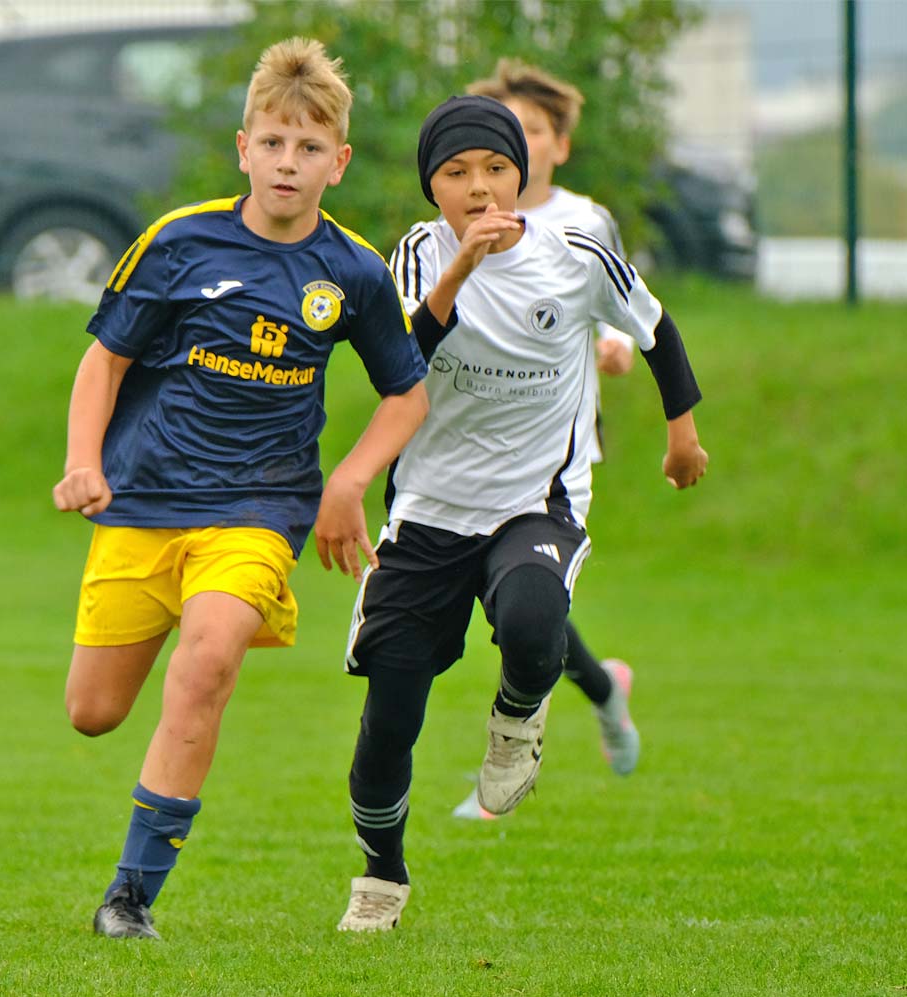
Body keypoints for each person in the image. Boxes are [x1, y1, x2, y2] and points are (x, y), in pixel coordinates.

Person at [53, 37, 429, 940]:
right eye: (273, 143)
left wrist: (348, 480)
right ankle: (169, 637)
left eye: (309, 148)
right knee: (93, 713)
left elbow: (407, 392)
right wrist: (83, 462)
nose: (288, 163)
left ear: (338, 161)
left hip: (260, 511)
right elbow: (105, 361)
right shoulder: (179, 242)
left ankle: (129, 898)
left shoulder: (352, 271)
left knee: (209, 662)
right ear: (243, 148)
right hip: (145, 503)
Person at [336, 95, 707, 932]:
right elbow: (399, 362)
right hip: (429, 510)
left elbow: (657, 331)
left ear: (522, 174)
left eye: (496, 168)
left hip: (535, 500)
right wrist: (461, 269)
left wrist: (682, 435)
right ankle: (381, 875)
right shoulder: (418, 253)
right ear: (432, 186)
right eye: (457, 172)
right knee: (390, 718)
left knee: (537, 620)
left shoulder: (575, 253)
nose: (479, 186)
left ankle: (516, 721)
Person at [434, 60, 643, 810]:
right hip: (470, 440)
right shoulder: (460, 215)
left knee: (526, 593)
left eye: (532, 130)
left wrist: (614, 350)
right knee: (523, 598)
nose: (515, 144)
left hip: (559, 438)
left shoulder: (586, 221)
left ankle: (506, 761)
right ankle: (601, 689)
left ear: (558, 144)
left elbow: (622, 310)